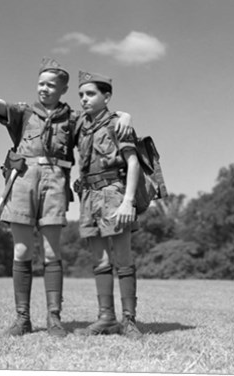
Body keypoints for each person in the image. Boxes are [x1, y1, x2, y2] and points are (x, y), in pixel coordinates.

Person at [0, 58, 131, 338]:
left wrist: (125, 116)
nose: (44, 89)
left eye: (51, 85)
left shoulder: (73, 118)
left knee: (52, 252)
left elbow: (102, 115)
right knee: (22, 251)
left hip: (55, 182)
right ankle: (22, 319)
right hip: (23, 181)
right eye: (41, 83)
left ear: (63, 90)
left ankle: (54, 319)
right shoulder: (24, 113)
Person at [73, 70, 142, 339]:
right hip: (88, 196)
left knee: (123, 257)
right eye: (81, 94)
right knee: (99, 259)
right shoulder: (80, 125)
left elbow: (133, 162)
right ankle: (106, 318)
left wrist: (128, 202)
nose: (84, 99)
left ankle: (129, 320)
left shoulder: (118, 124)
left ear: (107, 96)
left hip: (114, 193)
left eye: (90, 94)